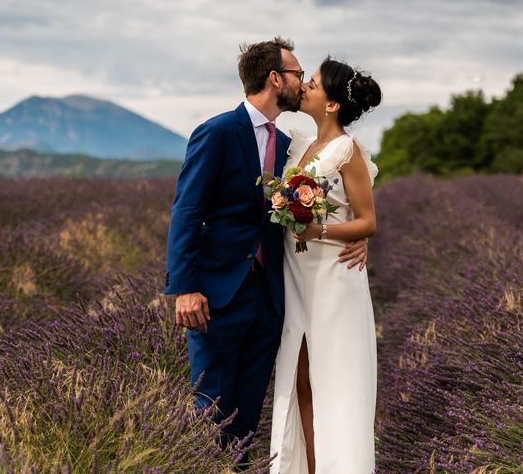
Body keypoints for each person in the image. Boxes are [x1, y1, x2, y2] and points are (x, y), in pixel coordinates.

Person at [163, 38, 369, 468]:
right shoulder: (217, 132)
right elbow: (186, 213)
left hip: (275, 298)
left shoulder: (290, 146)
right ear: (276, 79)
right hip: (216, 297)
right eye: (298, 74)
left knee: (247, 420)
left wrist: (354, 232)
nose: (302, 82)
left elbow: (329, 199)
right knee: (209, 414)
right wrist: (184, 289)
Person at [269, 57, 382, 473]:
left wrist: (321, 232)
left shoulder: (347, 151)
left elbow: (368, 221)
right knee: (300, 380)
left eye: (313, 84)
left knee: (334, 381)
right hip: (296, 275)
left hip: (334, 278)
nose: (305, 88)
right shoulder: (300, 145)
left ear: (332, 104)